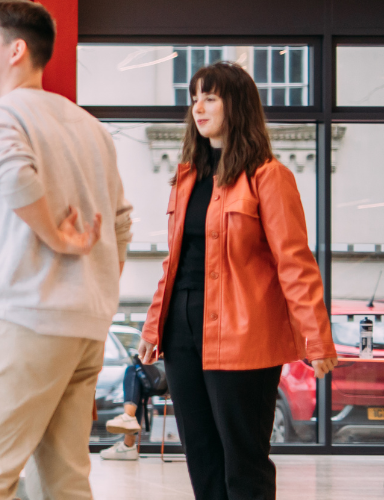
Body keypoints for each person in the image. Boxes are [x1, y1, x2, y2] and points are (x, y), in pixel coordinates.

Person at [0, 1, 135, 498]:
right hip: (87, 328)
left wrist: (57, 236)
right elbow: (120, 224)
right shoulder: (92, 128)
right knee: (64, 482)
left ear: (16, 49)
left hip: (29, 320)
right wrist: (97, 287)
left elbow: (14, 176)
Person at [134, 61, 338, 500]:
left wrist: (316, 338)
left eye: (210, 97)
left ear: (237, 104)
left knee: (243, 461)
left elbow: (295, 262)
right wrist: (153, 326)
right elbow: (174, 262)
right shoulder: (187, 178)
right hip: (183, 330)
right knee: (202, 459)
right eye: (194, 99)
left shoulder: (268, 176)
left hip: (243, 333)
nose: (198, 108)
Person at [97, 358, 164, 461]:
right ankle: (128, 442)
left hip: (175, 371)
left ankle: (128, 444)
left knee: (133, 371)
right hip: (166, 370)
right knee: (136, 373)